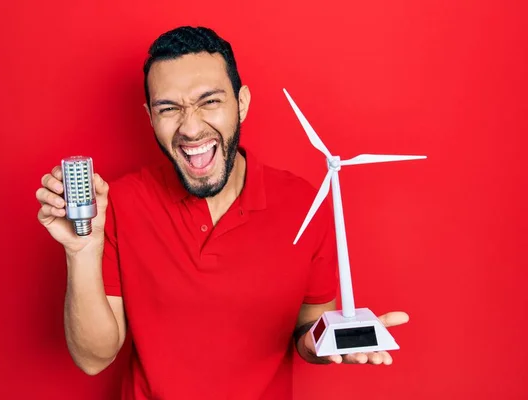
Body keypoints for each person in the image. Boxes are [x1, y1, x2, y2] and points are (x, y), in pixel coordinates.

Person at [36, 26, 409, 400]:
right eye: (169, 108)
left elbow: (308, 331)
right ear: (150, 117)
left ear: (241, 102)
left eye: (209, 101)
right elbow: (93, 358)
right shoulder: (118, 203)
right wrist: (81, 250)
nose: (192, 127)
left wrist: (334, 340)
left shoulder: (303, 204)